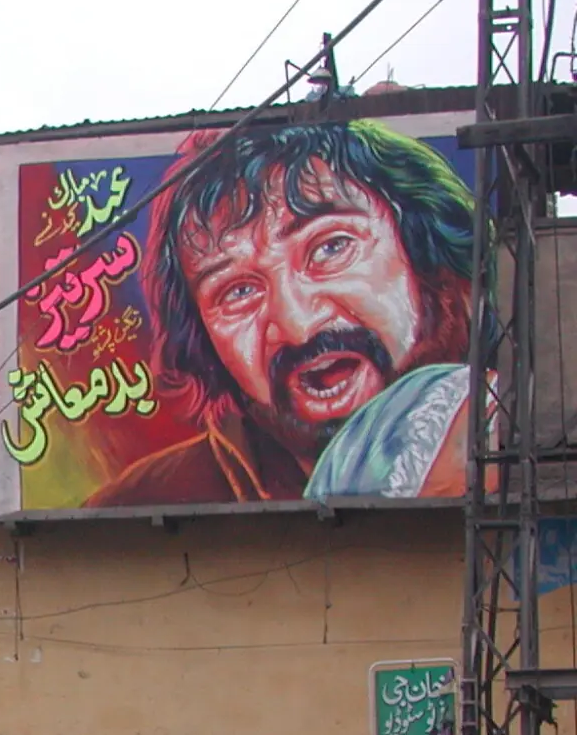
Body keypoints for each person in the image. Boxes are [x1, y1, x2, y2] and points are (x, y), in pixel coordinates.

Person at [91, 120, 476, 507]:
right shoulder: (138, 505)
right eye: (238, 291)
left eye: (330, 247)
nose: (299, 326)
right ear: (204, 343)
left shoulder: (517, 444)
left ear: (421, 247)